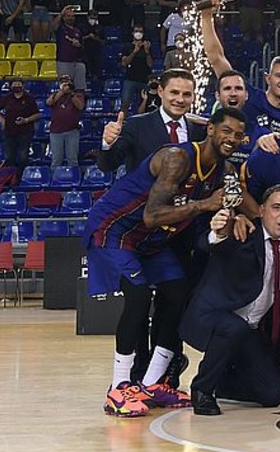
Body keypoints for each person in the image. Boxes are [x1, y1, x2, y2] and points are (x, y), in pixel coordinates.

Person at [86, 108, 248, 417]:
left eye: (238, 135)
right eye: (226, 131)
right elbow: (151, 214)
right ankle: (119, 387)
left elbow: (228, 205)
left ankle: (153, 382)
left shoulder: (225, 171)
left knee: (178, 293)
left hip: (152, 240)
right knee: (139, 295)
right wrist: (205, 204)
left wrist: (239, 218)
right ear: (210, 130)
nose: (232, 139)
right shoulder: (178, 158)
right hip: (116, 228)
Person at [181, 186, 280, 416]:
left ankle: (223, 382)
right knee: (233, 326)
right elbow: (210, 244)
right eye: (277, 208)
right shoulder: (243, 231)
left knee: (272, 395)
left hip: (249, 330)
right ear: (262, 210)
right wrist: (218, 232)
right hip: (212, 316)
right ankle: (202, 390)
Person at [201, 0, 280, 137]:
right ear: (268, 78)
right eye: (279, 75)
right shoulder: (247, 96)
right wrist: (206, 16)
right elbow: (216, 57)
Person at [100, 69, 207, 173]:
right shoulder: (135, 125)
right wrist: (108, 144)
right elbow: (108, 166)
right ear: (160, 92)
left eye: (187, 94)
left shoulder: (199, 130)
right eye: (174, 92)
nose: (180, 100)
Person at [0, 78, 40, 168]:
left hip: (25, 132)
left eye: (19, 84)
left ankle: (21, 176)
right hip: (9, 132)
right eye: (15, 84)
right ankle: (11, 177)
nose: (17, 86)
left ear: (23, 86)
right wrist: (1, 119)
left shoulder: (29, 98)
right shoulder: (7, 98)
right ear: (11, 86)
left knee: (23, 157)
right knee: (9, 157)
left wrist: (26, 120)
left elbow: (37, 114)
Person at [47, 75, 85, 167]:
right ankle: (55, 179)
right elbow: (49, 103)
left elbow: (80, 106)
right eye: (63, 82)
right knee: (56, 160)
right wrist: (61, 92)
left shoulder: (77, 95)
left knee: (72, 159)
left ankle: (73, 178)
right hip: (56, 131)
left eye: (67, 82)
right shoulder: (55, 95)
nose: (65, 84)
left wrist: (71, 94)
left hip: (72, 131)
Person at [51, 5, 87, 90]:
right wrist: (61, 13)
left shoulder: (78, 30)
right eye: (68, 16)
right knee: (65, 87)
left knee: (79, 88)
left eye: (72, 16)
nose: (70, 18)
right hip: (63, 62)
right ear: (64, 18)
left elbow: (83, 46)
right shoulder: (60, 29)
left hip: (77, 62)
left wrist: (79, 45)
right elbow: (53, 26)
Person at [120, 24, 154, 114]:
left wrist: (147, 52)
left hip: (144, 79)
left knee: (146, 103)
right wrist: (134, 51)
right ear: (132, 33)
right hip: (130, 78)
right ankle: (122, 123)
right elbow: (124, 63)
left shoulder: (147, 46)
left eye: (140, 31)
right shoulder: (127, 46)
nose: (138, 33)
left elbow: (150, 64)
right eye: (136, 31)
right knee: (125, 103)